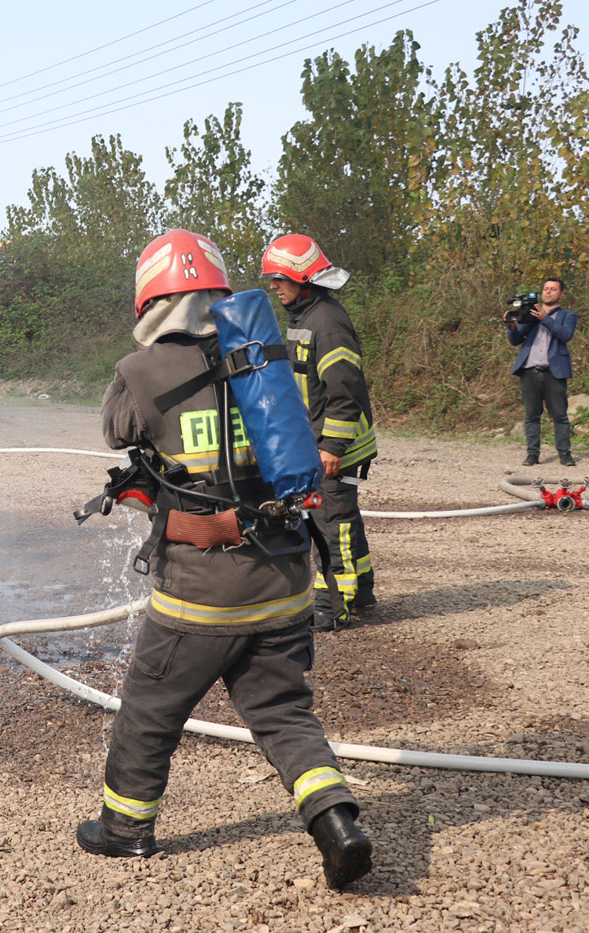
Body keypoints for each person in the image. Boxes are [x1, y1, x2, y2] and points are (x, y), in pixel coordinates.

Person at [76, 229, 372, 892]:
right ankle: (337, 821)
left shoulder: (141, 369)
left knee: (150, 705)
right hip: (287, 579)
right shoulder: (265, 356)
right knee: (283, 712)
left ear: (152, 298)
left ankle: (124, 828)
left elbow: (116, 429)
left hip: (201, 592)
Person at [261, 234, 377, 630]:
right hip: (325, 440)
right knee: (343, 517)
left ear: (302, 277)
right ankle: (361, 591)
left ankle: (333, 605)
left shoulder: (326, 323)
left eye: (279, 278)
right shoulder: (305, 318)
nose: (273, 286)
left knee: (332, 521)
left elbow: (346, 392)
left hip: (337, 443)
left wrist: (331, 447)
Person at [507, 278, 577, 467]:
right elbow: (515, 340)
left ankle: (564, 454)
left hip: (554, 372)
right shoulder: (530, 315)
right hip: (529, 371)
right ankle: (532, 454)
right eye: (545, 289)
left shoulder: (567, 315)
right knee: (531, 415)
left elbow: (565, 335)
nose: (548, 292)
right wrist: (512, 325)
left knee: (560, 415)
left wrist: (544, 318)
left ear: (561, 294)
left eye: (553, 289)